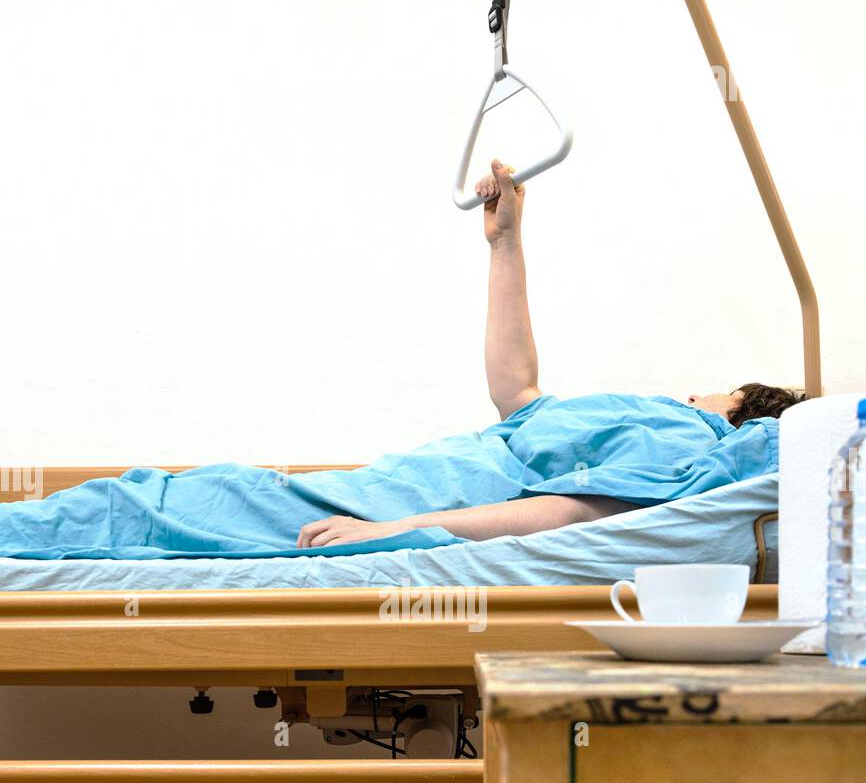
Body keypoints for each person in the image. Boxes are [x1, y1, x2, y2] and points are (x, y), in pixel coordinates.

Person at [0, 161, 800, 561]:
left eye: (708, 390)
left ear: (736, 411)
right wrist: (507, 246)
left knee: (145, 509)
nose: (687, 389)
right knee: (154, 501)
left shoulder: (688, 441)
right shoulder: (647, 421)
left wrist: (395, 528)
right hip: (377, 487)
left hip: (381, 503)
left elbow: (573, 514)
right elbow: (518, 391)